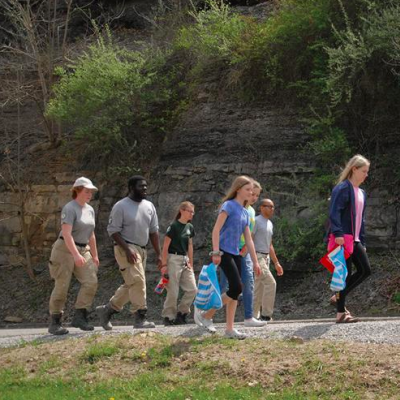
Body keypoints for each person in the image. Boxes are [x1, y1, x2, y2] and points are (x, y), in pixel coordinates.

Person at [194, 175, 262, 339]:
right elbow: (216, 229)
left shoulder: (245, 212)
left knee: (234, 292)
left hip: (237, 253)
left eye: (251, 190)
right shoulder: (228, 206)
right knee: (237, 288)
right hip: (224, 252)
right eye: (247, 189)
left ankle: (229, 329)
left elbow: (249, 239)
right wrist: (216, 252)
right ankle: (206, 314)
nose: (250, 192)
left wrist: (255, 262)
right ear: (238, 189)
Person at [96, 175, 162, 330]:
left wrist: (159, 254)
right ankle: (140, 317)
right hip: (125, 248)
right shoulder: (120, 206)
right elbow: (113, 230)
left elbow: (154, 232)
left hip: (142, 249)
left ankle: (107, 310)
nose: (145, 189)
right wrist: (127, 249)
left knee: (132, 283)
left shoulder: (149, 206)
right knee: (138, 281)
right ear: (131, 188)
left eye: (146, 186)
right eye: (141, 186)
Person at [48, 177, 99, 335]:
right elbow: (67, 234)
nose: (89, 194)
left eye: (91, 192)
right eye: (86, 191)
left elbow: (91, 234)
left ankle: (80, 316)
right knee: (62, 285)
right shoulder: (69, 208)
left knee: (91, 281)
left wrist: (95, 255)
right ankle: (55, 321)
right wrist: (75, 255)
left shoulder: (90, 209)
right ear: (77, 190)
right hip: (64, 249)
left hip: (84, 249)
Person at [328, 154, 371, 323]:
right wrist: (337, 233)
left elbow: (362, 219)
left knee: (365, 270)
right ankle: (340, 314)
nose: (366, 175)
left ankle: (338, 296)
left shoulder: (362, 193)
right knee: (343, 275)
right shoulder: (342, 188)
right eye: (364, 171)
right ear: (354, 169)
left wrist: (363, 240)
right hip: (343, 237)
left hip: (356, 239)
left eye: (367, 171)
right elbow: (334, 212)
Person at [220, 180, 265, 327]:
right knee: (225, 285)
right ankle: (209, 313)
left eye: (257, 195)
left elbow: (249, 234)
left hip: (244, 252)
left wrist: (249, 251)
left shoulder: (249, 211)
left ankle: (248, 316)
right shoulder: (232, 206)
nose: (254, 197)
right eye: (252, 193)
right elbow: (222, 230)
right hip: (228, 250)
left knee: (247, 283)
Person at [161, 201, 197, 326]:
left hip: (185, 259)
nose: (191, 214)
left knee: (192, 289)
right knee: (173, 290)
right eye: (189, 211)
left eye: (193, 212)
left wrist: (191, 263)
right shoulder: (174, 226)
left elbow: (190, 245)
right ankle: (168, 316)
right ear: (182, 210)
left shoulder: (190, 227)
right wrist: (164, 264)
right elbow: (165, 246)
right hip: (173, 258)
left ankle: (182, 313)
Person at [253, 198, 284, 321]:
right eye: (268, 206)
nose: (272, 209)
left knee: (258, 288)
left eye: (273, 207)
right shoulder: (255, 221)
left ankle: (252, 316)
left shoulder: (270, 224)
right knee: (271, 283)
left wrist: (276, 262)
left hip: (265, 258)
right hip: (257, 256)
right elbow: (249, 239)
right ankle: (266, 315)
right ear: (261, 207)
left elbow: (270, 244)